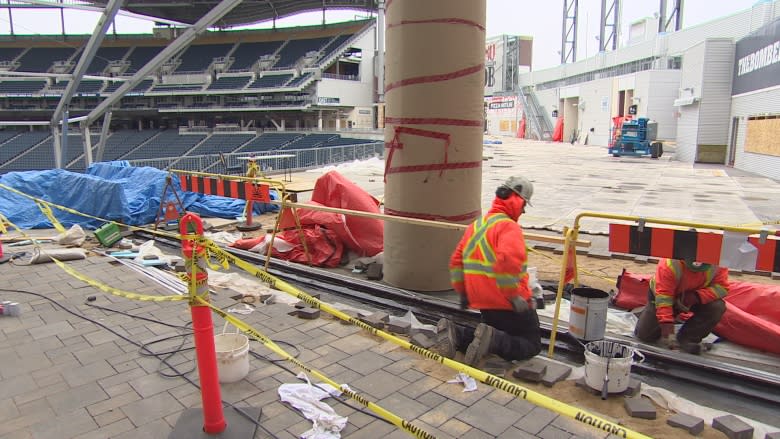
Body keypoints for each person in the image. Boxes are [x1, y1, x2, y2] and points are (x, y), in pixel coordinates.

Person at [434, 176, 542, 366]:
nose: (524, 211)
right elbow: (507, 262)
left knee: (487, 332)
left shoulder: (476, 225)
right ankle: (493, 340)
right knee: (531, 344)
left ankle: (458, 333)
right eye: (524, 205)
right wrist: (514, 297)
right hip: (507, 302)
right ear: (518, 201)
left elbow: (456, 261)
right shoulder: (509, 227)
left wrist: (463, 292)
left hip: (484, 302)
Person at [634, 258, 729, 354]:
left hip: (696, 296)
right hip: (662, 297)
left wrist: (696, 296)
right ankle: (650, 314)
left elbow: (722, 287)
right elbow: (663, 298)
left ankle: (687, 338)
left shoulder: (718, 262)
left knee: (717, 307)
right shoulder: (669, 263)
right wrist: (667, 326)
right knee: (645, 335)